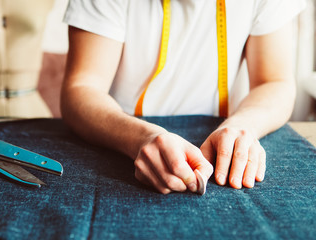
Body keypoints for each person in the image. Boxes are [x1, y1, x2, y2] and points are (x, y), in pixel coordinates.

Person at [61, 0, 306, 194]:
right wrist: (140, 138)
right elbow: (82, 88)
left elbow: (274, 82)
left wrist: (242, 127)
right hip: (120, 139)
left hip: (219, 131)